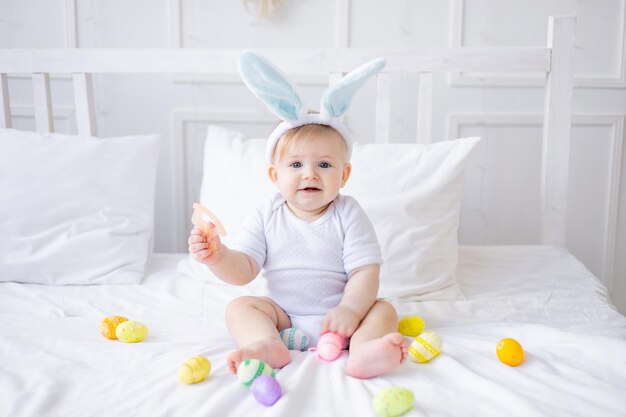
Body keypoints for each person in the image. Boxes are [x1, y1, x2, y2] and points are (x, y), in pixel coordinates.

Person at [188, 50, 408, 379]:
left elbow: (365, 272)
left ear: (344, 175)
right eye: (295, 164)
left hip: (343, 317)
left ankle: (363, 352)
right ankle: (267, 344)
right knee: (240, 307)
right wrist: (218, 257)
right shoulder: (266, 213)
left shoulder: (348, 213)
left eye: (324, 164)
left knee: (384, 309)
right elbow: (245, 269)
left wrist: (350, 309)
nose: (310, 174)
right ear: (274, 176)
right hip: (285, 318)